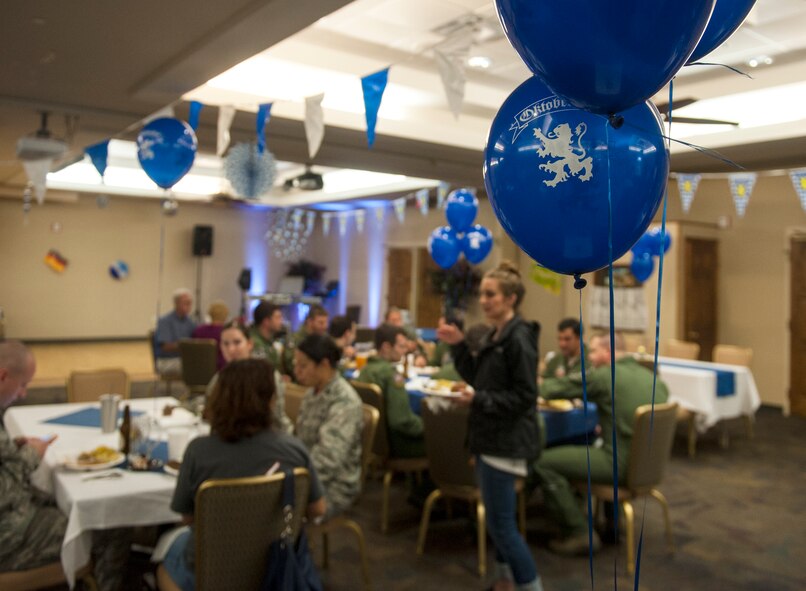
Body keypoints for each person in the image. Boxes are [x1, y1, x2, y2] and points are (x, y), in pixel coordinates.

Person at [158, 358, 326, 591]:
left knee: (168, 555)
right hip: (273, 565)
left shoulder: (198, 451)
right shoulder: (293, 450)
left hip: (211, 570)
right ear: (270, 401)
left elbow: (188, 518)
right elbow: (317, 509)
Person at [437, 261, 543, 591]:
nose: (483, 301)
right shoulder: (495, 334)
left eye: (491, 295)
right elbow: (478, 379)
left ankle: (530, 585)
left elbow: (525, 397)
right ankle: (505, 583)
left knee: (503, 527)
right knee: (498, 526)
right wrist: (457, 344)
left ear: (511, 299)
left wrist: (478, 400)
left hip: (505, 442)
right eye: (482, 294)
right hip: (489, 439)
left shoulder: (517, 339)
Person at [0, 341, 130, 590]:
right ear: (3, 376)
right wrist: (31, 455)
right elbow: (7, 491)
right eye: (23, 385)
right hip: (8, 535)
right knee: (111, 522)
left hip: (12, 518)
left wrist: (14, 448)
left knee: (71, 501)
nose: (23, 394)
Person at [531, 332, 669, 555]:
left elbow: (554, 389)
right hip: (648, 468)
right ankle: (613, 523)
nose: (591, 357)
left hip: (619, 465)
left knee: (542, 461)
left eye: (593, 351)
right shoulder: (654, 379)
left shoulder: (605, 376)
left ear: (608, 352)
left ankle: (578, 532)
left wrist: (534, 383)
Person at [294, 334, 363, 518]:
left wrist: (294, 482)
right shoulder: (312, 392)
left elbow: (329, 459)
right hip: (308, 474)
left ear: (324, 365)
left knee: (271, 507)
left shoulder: (344, 401)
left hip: (334, 486)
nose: (297, 371)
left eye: (303, 366)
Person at [207, 321, 292, 434]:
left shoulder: (267, 376)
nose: (231, 349)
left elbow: (277, 418)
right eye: (225, 344)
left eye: (237, 342)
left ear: (249, 344)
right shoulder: (218, 379)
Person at [358, 324, 424, 458]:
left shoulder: (364, 371)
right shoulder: (393, 375)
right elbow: (401, 420)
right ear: (386, 347)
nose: (404, 351)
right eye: (401, 346)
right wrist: (428, 426)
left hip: (370, 443)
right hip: (399, 445)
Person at [155, 288, 197, 374]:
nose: (189, 306)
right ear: (176, 303)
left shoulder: (191, 322)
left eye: (190, 303)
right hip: (166, 361)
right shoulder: (165, 321)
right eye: (186, 303)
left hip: (183, 359)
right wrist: (188, 346)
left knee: (207, 363)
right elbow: (166, 347)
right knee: (199, 366)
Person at [283, 304, 329, 380]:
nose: (325, 326)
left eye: (326, 322)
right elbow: (291, 366)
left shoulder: (322, 338)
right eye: (321, 323)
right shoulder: (296, 339)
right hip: (299, 383)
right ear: (310, 322)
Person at [540, 318, 586, 386]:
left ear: (579, 338)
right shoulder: (556, 359)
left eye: (567, 339)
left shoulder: (590, 359)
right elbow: (542, 380)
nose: (562, 344)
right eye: (560, 339)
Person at [191, 300, 229, 370]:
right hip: (221, 369)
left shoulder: (198, 330)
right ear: (226, 315)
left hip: (198, 367)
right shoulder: (226, 333)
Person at [250, 301, 286, 371]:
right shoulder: (255, 343)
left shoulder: (268, 340)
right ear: (266, 321)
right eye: (278, 317)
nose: (281, 321)